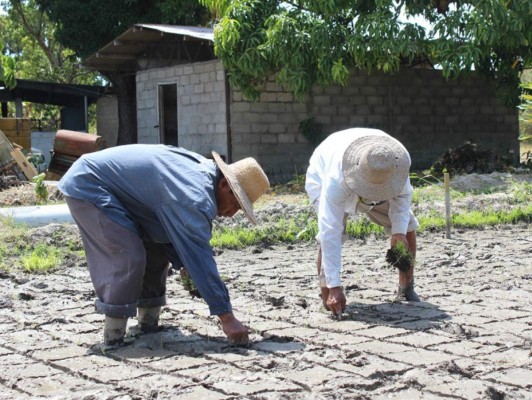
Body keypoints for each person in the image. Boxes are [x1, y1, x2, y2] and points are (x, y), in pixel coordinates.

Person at [58, 144, 269, 346]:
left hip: (124, 194)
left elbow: (172, 235)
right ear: (224, 185)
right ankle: (114, 335)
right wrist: (227, 317)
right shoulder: (194, 197)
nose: (231, 214)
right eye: (235, 204)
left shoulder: (201, 176)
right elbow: (198, 256)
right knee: (128, 255)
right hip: (89, 183)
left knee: (158, 246)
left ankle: (148, 322)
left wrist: (182, 263)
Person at [305, 128, 420, 317]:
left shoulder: (396, 164)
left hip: (379, 185)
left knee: (408, 227)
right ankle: (328, 295)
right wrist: (335, 285)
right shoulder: (336, 180)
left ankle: (406, 286)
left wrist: (398, 232)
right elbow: (330, 231)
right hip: (323, 176)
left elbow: (403, 196)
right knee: (332, 236)